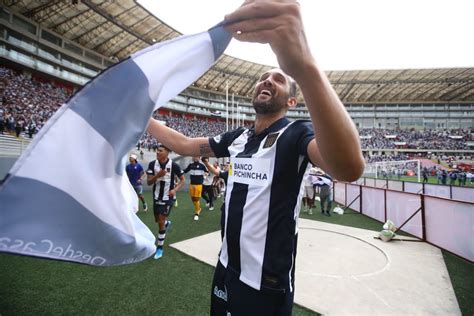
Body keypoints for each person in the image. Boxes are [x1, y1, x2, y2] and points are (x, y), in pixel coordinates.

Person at [147, 1, 364, 314]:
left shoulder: (295, 135)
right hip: (225, 268)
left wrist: (304, 68)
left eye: (277, 79)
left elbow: (349, 168)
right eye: (263, 77)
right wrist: (140, 116)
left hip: (268, 284)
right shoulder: (238, 138)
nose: (266, 80)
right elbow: (183, 144)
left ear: (291, 100)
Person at [146, 144, 185, 259]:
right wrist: (158, 175)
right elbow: (149, 182)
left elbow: (182, 180)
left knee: (161, 221)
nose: (157, 152)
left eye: (160, 151)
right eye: (157, 151)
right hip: (156, 196)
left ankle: (159, 248)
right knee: (158, 220)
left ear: (167, 152)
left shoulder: (174, 165)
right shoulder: (152, 164)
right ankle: (166, 223)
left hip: (168, 198)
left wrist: (175, 189)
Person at [183, 156, 208, 221]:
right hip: (192, 184)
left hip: (199, 184)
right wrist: (178, 172)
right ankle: (198, 208)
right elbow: (185, 171)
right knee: (193, 198)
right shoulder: (191, 165)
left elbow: (207, 171)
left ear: (199, 158)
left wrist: (205, 176)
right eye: (194, 157)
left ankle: (197, 212)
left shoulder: (202, 165)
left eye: (196, 157)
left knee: (196, 198)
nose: (195, 158)